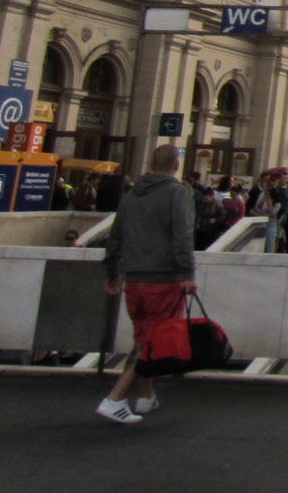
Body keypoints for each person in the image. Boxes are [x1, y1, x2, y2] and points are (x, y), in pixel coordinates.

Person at [97, 143, 196, 424]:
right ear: (176, 165)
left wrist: (112, 272)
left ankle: (145, 397)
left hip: (135, 280)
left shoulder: (130, 195)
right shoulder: (178, 194)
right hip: (164, 279)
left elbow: (115, 236)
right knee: (150, 343)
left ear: (151, 163)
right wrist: (189, 273)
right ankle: (114, 398)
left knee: (143, 337)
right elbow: (183, 236)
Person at [193, 186, 225, 251]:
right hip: (201, 229)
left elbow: (223, 216)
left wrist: (215, 220)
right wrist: (197, 222)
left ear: (211, 196)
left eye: (207, 198)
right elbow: (198, 213)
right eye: (204, 198)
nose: (205, 200)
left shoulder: (216, 205)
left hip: (210, 231)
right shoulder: (201, 204)